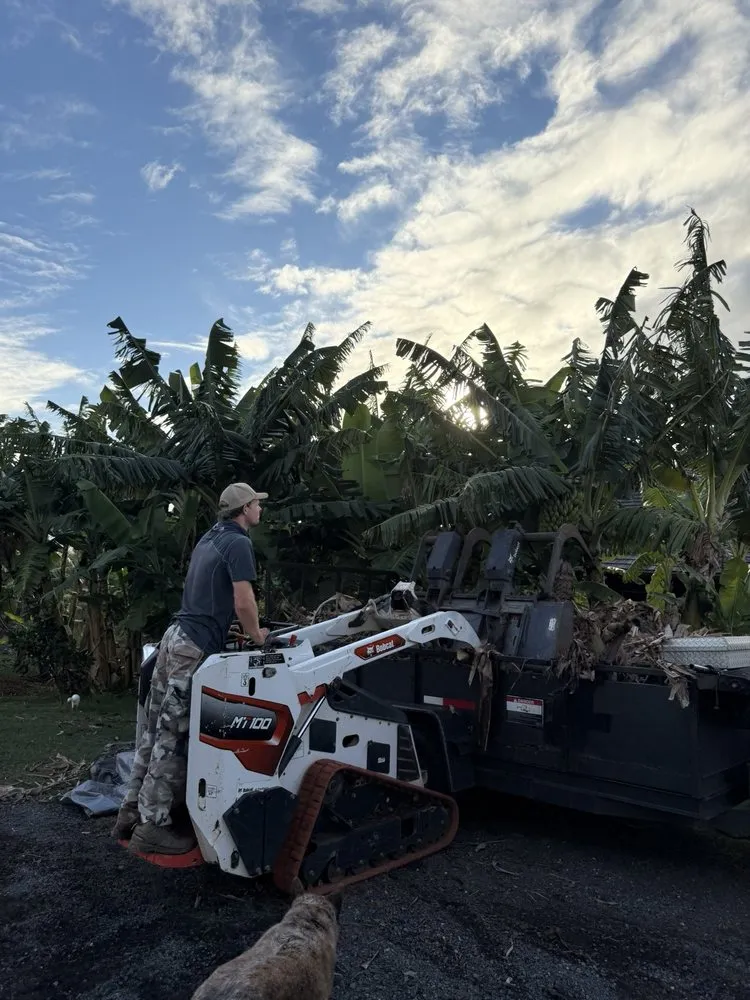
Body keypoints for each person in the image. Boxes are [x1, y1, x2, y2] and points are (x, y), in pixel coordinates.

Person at [112, 482, 270, 855]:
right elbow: (243, 600)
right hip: (194, 646)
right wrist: (257, 637)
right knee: (174, 735)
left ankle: (131, 812)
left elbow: (206, 593)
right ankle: (154, 827)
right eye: (256, 504)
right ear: (245, 509)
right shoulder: (239, 543)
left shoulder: (210, 538)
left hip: (175, 636)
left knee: (154, 730)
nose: (260, 509)